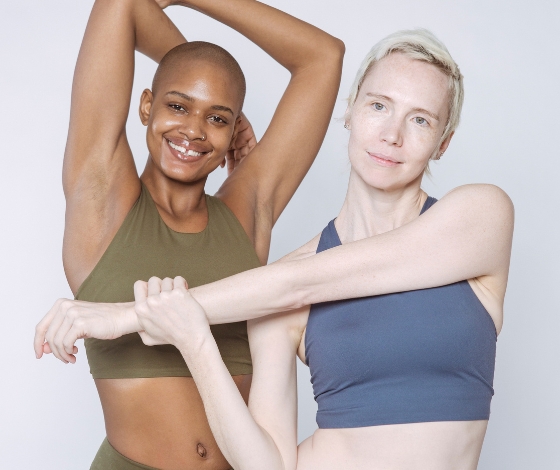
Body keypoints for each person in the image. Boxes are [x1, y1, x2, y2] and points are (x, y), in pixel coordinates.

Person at [36, 29, 514, 470]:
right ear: (349, 111)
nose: (393, 134)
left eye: (421, 119)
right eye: (378, 106)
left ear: (443, 142)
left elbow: (303, 283)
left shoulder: (480, 217)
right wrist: (195, 340)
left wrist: (128, 315)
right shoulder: (274, 294)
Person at [33, 0, 344, 468]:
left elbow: (324, 56)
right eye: (177, 106)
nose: (194, 130)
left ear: (233, 132)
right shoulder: (102, 198)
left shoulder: (245, 213)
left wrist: (204, 75)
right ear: (146, 106)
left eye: (217, 119)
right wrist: (195, 66)